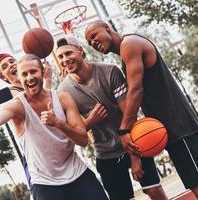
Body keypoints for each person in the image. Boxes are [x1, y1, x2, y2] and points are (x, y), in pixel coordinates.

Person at [85, 20, 198, 200]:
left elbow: (136, 90)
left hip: (178, 125)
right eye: (89, 42)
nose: (93, 42)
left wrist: (124, 129)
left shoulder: (130, 45)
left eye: (94, 36)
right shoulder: (127, 50)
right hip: (176, 126)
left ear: (106, 27)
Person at [0, 54, 109, 200]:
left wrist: (58, 123)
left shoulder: (63, 97)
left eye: (33, 72)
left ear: (43, 71)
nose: (29, 77)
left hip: (77, 173)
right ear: (17, 78)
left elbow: (83, 140)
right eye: (24, 74)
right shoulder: (16, 105)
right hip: (45, 183)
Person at [56, 36, 168, 200]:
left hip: (133, 142)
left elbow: (129, 114)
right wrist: (89, 121)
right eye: (60, 57)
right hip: (106, 154)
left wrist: (135, 157)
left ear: (80, 51)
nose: (65, 59)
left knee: (154, 191)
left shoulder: (109, 71)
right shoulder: (64, 91)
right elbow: (78, 132)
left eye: (68, 53)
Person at [0, 53, 53, 191]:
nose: (11, 65)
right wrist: (48, 80)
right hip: (37, 160)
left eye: (12, 61)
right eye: (5, 66)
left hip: (55, 149)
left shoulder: (38, 86)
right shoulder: (9, 94)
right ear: (3, 77)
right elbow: (43, 109)